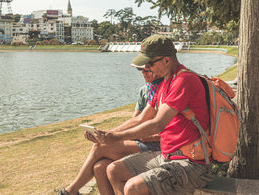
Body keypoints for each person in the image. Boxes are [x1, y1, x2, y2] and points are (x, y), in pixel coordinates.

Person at [95, 34, 212, 195]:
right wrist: (108, 134)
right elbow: (141, 118)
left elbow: (157, 124)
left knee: (133, 187)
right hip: (167, 157)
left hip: (191, 164)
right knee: (114, 170)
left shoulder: (184, 81)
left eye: (149, 63)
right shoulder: (165, 83)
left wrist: (116, 138)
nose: (147, 68)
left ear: (166, 60)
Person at [58, 67, 163, 195]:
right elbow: (135, 120)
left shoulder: (165, 89)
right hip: (140, 140)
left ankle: (71, 191)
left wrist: (110, 136)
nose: (143, 73)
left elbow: (163, 127)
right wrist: (107, 135)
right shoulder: (145, 90)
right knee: (99, 167)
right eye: (140, 70)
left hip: (157, 145)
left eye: (146, 70)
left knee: (100, 146)